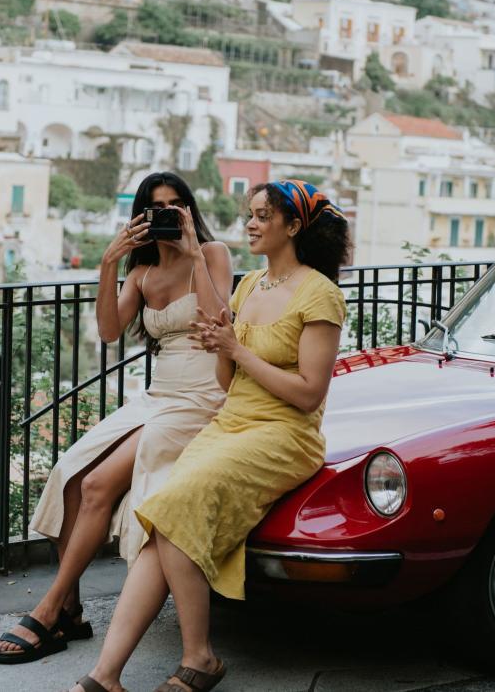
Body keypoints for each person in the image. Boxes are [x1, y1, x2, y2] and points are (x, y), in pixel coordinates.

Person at [70, 180, 351, 692]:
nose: (251, 223)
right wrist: (222, 346)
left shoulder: (320, 294)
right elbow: (227, 383)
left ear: (293, 227)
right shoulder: (249, 288)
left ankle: (199, 657)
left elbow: (309, 395)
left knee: (172, 506)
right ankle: (105, 676)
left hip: (284, 433)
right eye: (251, 213)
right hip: (232, 422)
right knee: (162, 522)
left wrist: (238, 349)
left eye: (263, 216)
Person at [0, 172, 234, 664]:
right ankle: (73, 612)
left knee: (101, 484)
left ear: (189, 210)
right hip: (159, 393)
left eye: (176, 205)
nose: (168, 214)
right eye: (156, 208)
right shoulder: (142, 273)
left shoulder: (213, 255)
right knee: (71, 474)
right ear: (140, 218)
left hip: (202, 395)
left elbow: (218, 322)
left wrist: (190, 253)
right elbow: (107, 330)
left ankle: (48, 608)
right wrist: (109, 263)